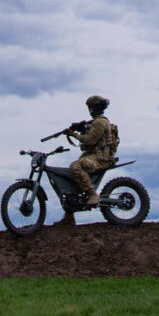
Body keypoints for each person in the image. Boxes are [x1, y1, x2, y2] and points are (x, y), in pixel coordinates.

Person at [56, 95, 117, 226]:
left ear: (96, 107)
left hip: (101, 159)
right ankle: (69, 215)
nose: (89, 110)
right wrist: (81, 127)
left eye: (91, 107)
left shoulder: (100, 122)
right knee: (72, 177)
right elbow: (89, 140)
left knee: (76, 167)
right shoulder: (94, 122)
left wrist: (74, 134)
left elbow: (90, 140)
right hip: (93, 156)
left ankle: (92, 194)